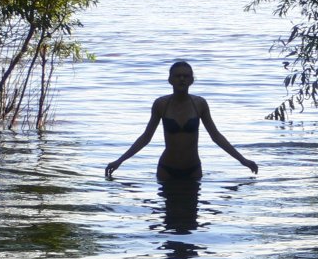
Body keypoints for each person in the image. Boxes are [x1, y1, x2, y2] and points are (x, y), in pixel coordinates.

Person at [105, 62, 258, 181]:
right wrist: (119, 161)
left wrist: (243, 160)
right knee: (168, 221)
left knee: (192, 221)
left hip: (193, 169)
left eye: (186, 76)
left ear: (192, 80)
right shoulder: (161, 104)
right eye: (178, 76)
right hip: (166, 169)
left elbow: (216, 136)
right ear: (170, 79)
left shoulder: (199, 104)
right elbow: (146, 137)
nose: (182, 79)